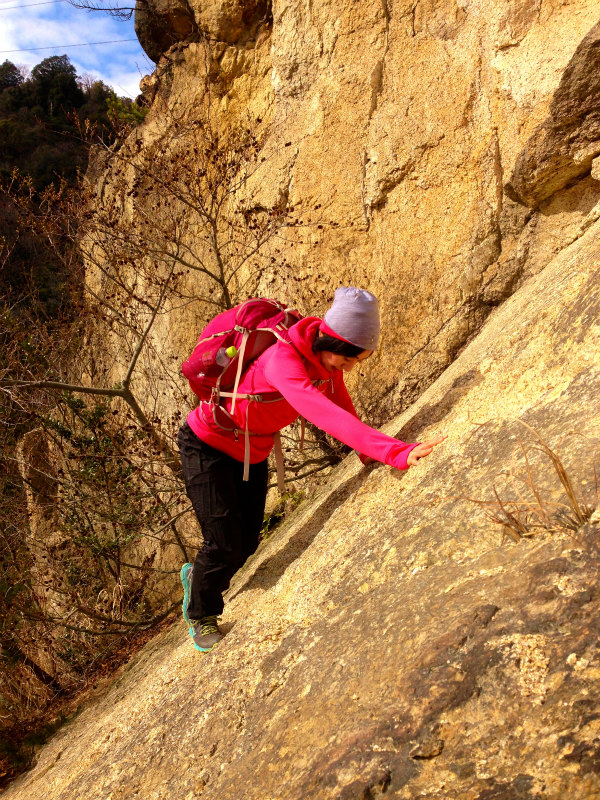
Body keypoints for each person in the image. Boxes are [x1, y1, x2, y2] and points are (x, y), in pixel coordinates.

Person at [178, 287, 445, 651]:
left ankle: (199, 575)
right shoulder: (283, 362)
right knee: (223, 543)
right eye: (349, 359)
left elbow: (341, 403)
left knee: (247, 543)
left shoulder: (323, 360)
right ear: (330, 340)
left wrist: (366, 452)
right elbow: (325, 415)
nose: (350, 367)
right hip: (206, 444)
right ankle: (200, 613)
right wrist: (394, 453)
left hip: (251, 450)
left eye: (358, 361)